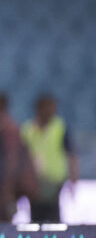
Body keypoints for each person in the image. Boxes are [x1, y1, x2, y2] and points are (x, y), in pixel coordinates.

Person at [21, 94, 80, 223]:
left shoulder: (60, 128)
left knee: (54, 219)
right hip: (34, 184)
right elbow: (21, 157)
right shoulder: (27, 130)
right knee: (35, 220)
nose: (52, 111)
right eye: (49, 107)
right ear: (39, 109)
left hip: (55, 183)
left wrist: (73, 179)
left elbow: (71, 155)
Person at [0, 92, 37, 223]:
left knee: (3, 229)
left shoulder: (8, 128)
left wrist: (8, 191)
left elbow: (12, 160)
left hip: (4, 190)